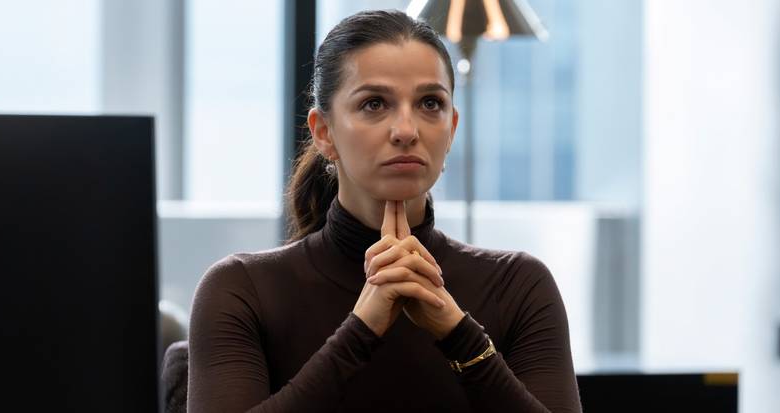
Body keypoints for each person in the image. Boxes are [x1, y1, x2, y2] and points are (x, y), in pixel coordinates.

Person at [188, 9, 581, 413]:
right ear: (324, 132)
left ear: (452, 129)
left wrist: (457, 331)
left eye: (431, 103)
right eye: (375, 104)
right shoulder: (242, 289)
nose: (407, 130)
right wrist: (361, 329)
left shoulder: (518, 285)